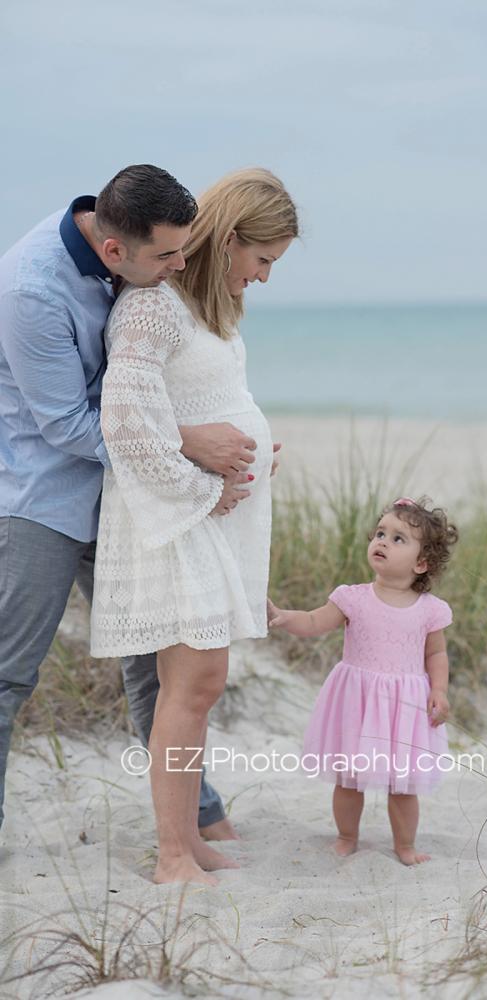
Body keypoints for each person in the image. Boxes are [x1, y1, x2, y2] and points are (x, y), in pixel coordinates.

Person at [0, 164, 256, 837]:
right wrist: (189, 449)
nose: (180, 265)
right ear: (114, 251)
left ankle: (196, 817)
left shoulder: (140, 251)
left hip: (127, 498)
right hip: (43, 497)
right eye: (168, 256)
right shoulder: (30, 290)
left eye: (185, 247)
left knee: (155, 666)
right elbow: (67, 426)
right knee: (9, 673)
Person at [90, 167, 299, 885]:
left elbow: (201, 403)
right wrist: (201, 489)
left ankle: (188, 838)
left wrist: (247, 451)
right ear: (232, 239)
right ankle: (173, 851)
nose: (265, 276)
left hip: (204, 516)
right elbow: (124, 420)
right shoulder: (153, 308)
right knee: (192, 682)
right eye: (263, 259)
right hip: (171, 518)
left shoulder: (206, 311)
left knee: (200, 683)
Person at [268, 496, 458, 865]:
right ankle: (346, 836)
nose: (383, 542)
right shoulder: (352, 598)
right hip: (357, 700)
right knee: (349, 778)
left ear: (422, 563)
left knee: (402, 785)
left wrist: (439, 689)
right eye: (380, 533)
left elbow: (435, 654)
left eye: (398, 538)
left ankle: (405, 846)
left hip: (404, 705)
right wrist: (286, 618)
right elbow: (314, 621)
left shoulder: (430, 610)